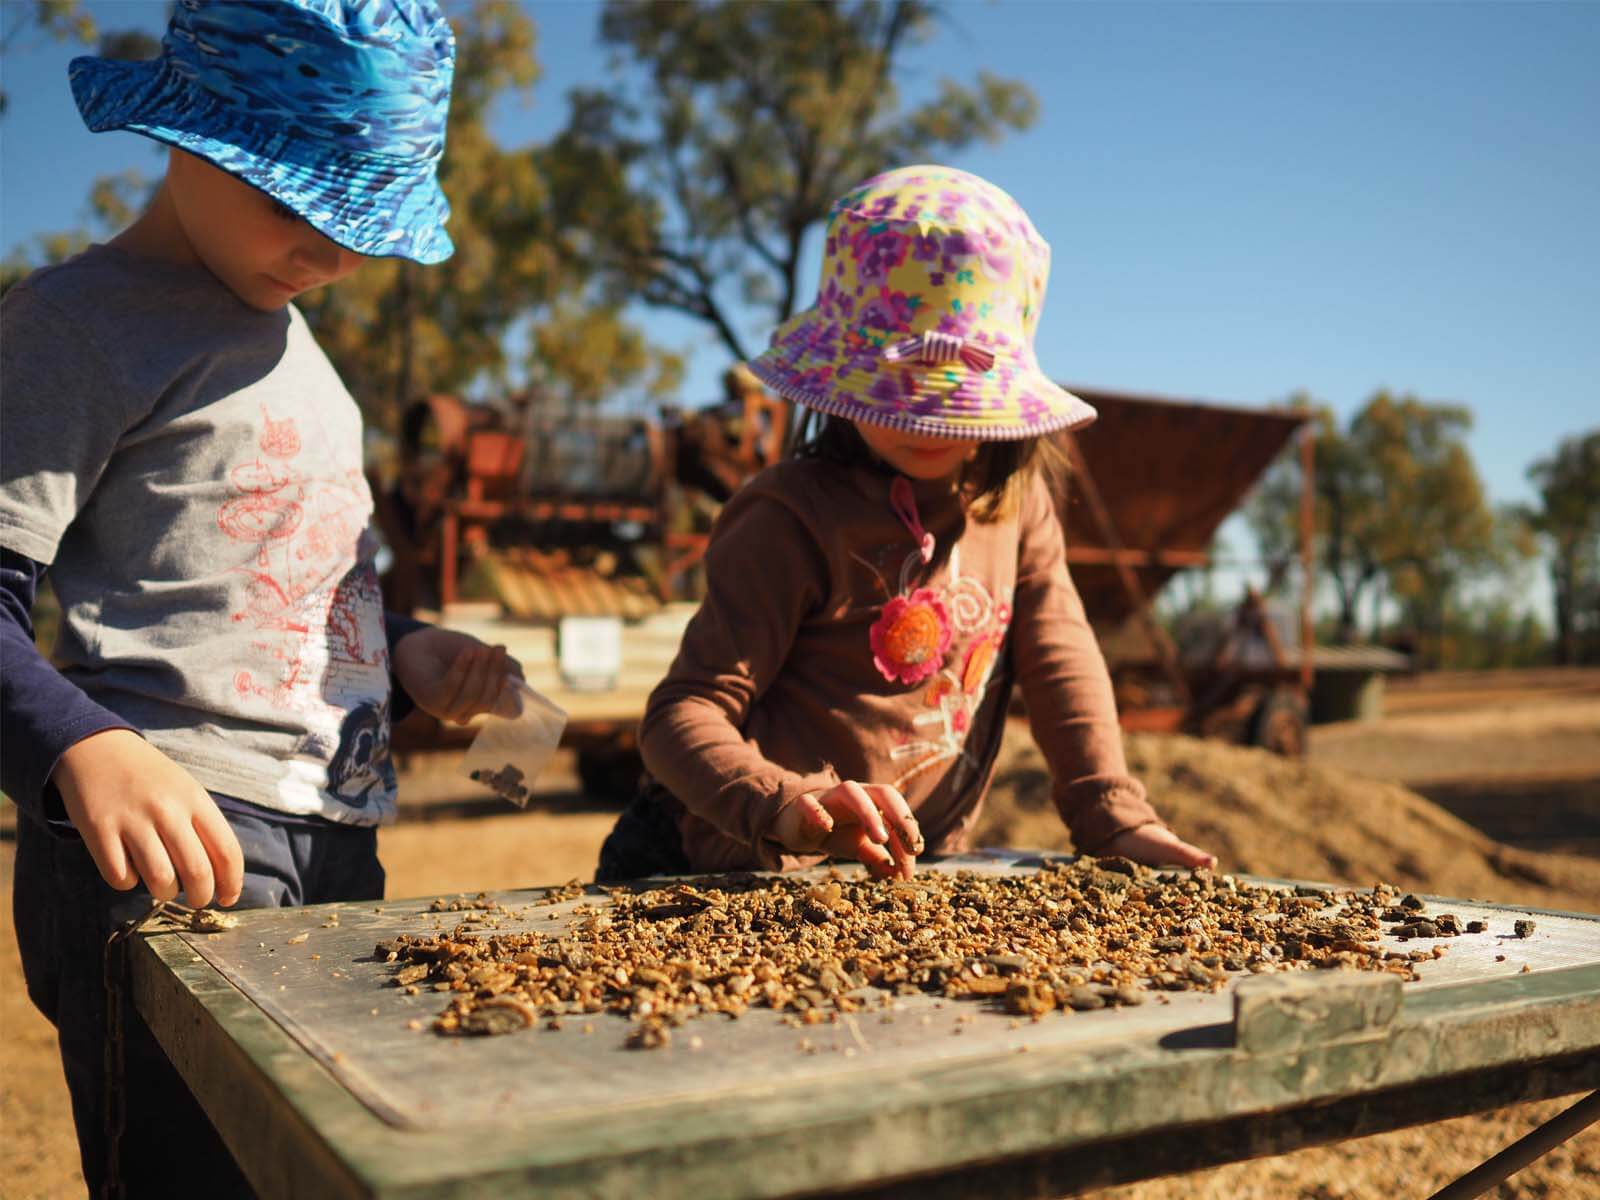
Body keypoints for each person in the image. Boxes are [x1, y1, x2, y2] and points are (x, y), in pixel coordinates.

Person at [0, 3, 518, 1193]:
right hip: (174, 844)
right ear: (190, 133)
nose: (329, 256)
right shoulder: (74, 326)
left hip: (337, 829)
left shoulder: (301, 352)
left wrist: (409, 652)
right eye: (297, 204)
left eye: (355, 227)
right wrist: (82, 745)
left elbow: (276, 594)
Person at [597, 164, 1213, 884]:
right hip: (721, 859)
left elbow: (1060, 657)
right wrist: (792, 805)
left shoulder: (1016, 508)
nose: (923, 421)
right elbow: (681, 716)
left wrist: (1111, 813)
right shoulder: (790, 516)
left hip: (907, 870)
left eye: (949, 400)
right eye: (900, 395)